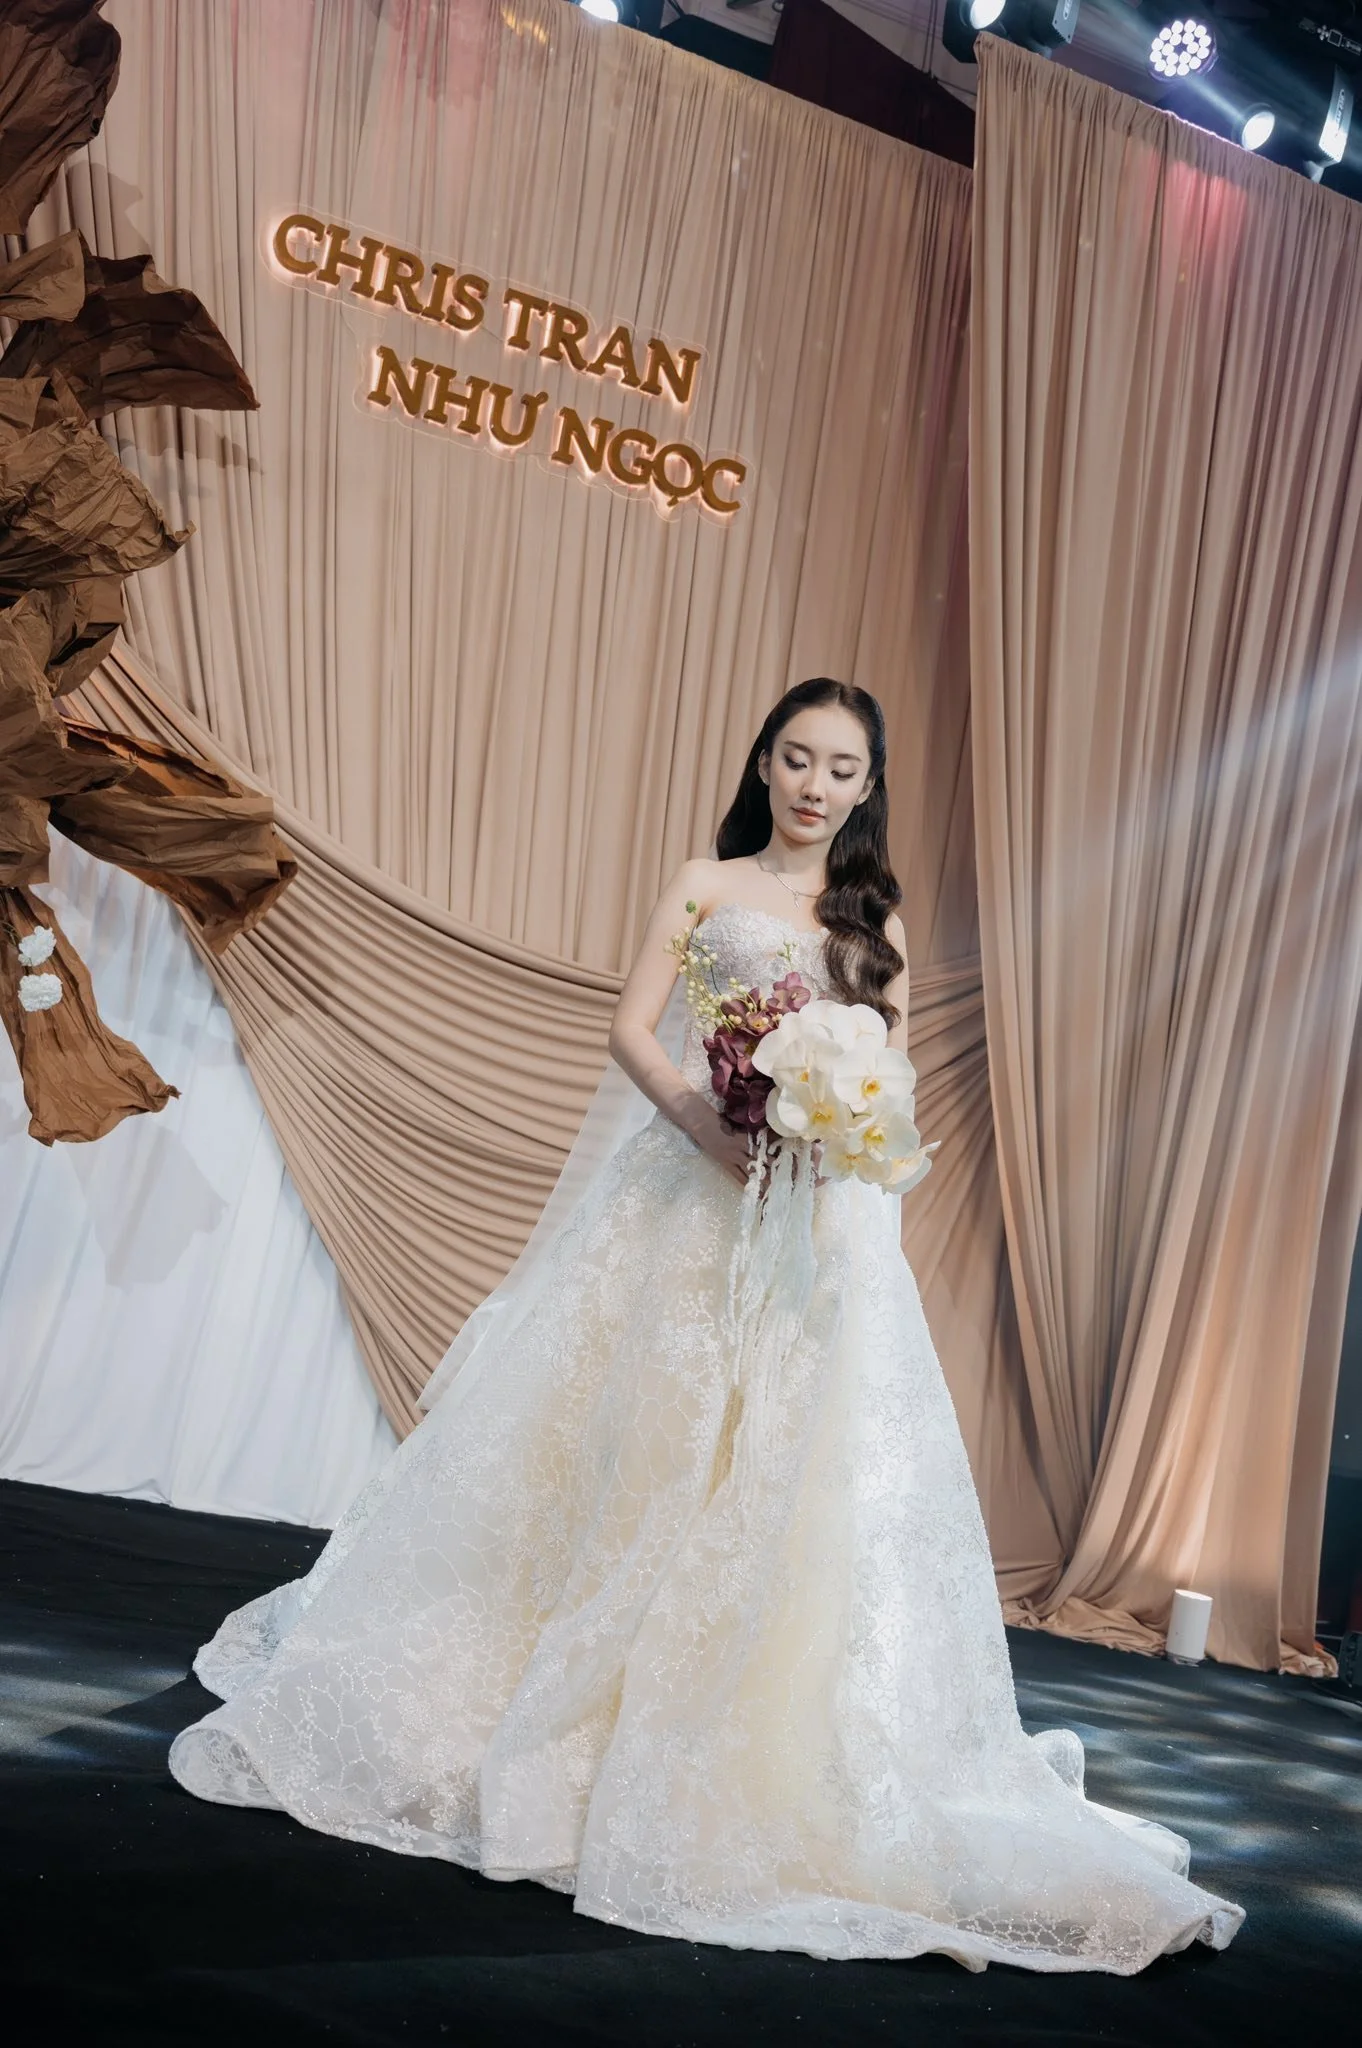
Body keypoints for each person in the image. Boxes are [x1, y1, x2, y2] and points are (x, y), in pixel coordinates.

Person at [168, 679, 1244, 1972]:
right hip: (689, 1195)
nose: (810, 783)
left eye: (838, 768)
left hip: (816, 1222)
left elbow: (881, 1070)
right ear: (763, 762)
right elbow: (632, 1026)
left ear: (863, 788)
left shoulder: (869, 915)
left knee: (789, 1466)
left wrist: (842, 1130)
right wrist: (701, 1117)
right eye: (793, 757)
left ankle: (747, 1722)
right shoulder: (704, 880)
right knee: (641, 1437)